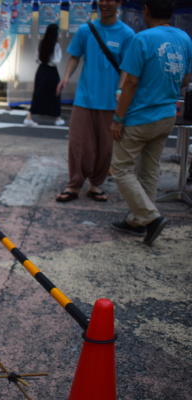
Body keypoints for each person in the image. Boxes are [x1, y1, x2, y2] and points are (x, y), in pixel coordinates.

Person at [109, 0, 192, 245]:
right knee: (149, 169)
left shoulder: (142, 39)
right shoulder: (185, 39)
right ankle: (137, 221)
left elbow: (130, 83)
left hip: (139, 117)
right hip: (167, 114)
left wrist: (118, 119)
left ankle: (151, 217)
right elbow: (185, 80)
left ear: (146, 9)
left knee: (121, 169)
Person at [55, 0, 134, 202]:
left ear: (118, 3)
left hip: (110, 100)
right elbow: (74, 56)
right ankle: (73, 185)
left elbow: (126, 67)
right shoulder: (86, 29)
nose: (104, 3)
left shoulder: (127, 34)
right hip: (84, 97)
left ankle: (96, 184)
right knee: (78, 143)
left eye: (110, 0)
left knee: (106, 146)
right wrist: (66, 78)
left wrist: (120, 89)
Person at [24, 24, 65, 127]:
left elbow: (36, 58)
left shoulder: (41, 43)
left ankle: (29, 117)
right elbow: (56, 60)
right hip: (52, 71)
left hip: (41, 70)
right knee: (55, 93)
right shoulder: (56, 45)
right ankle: (57, 118)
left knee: (38, 93)